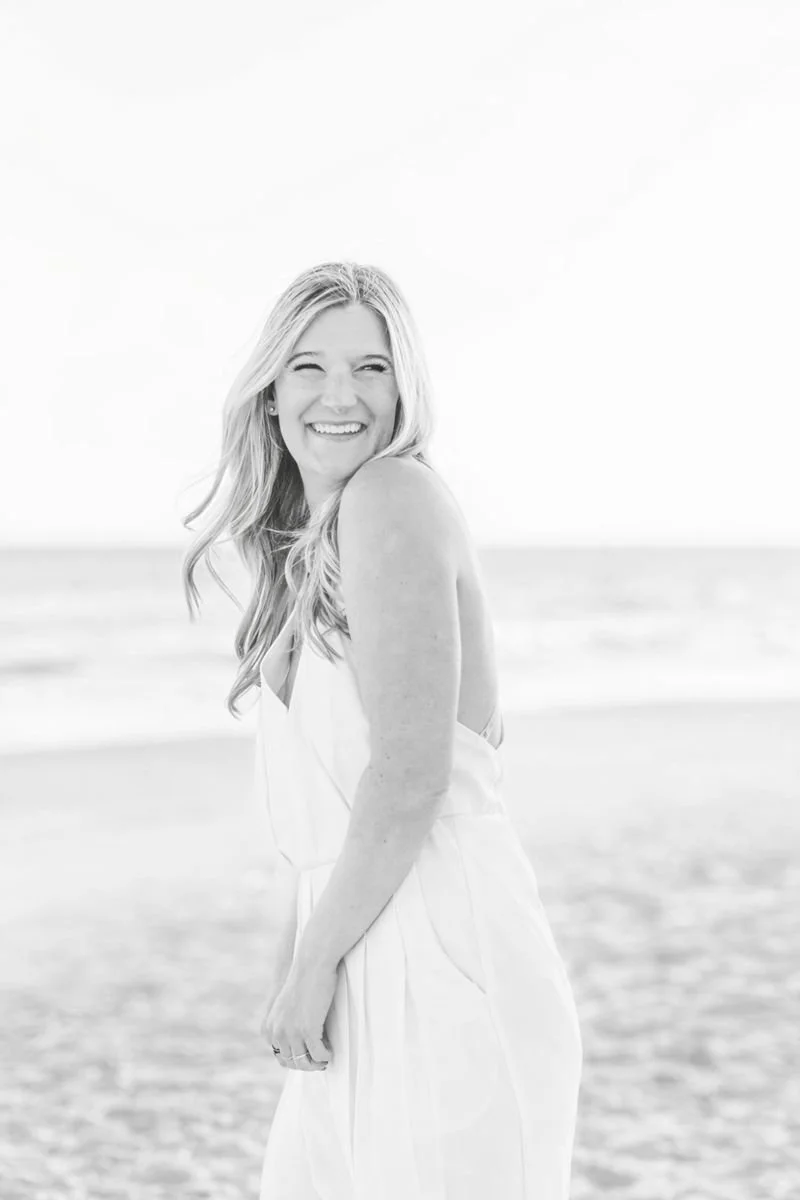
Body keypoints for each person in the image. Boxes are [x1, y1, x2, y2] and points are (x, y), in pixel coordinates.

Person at [183, 261, 582, 1199]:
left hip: (440, 950)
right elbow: (324, 813)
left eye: (371, 367)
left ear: (406, 386)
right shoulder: (306, 551)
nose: (340, 397)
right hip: (363, 938)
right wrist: (300, 961)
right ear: (270, 392)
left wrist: (313, 961)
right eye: (309, 367)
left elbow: (410, 776)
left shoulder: (391, 497)